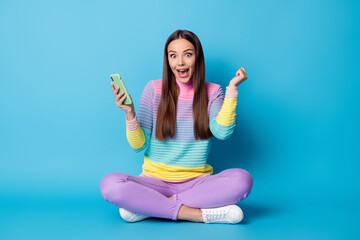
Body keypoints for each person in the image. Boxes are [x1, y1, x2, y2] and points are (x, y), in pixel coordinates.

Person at [100, 29, 253, 224]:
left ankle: (151, 207)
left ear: (198, 58)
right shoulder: (154, 89)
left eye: (187, 54)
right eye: (173, 56)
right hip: (155, 182)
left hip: (197, 184)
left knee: (242, 180)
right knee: (110, 184)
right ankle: (196, 215)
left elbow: (221, 132)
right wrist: (130, 113)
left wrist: (232, 90)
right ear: (168, 61)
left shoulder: (213, 91)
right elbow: (138, 145)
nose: (180, 62)